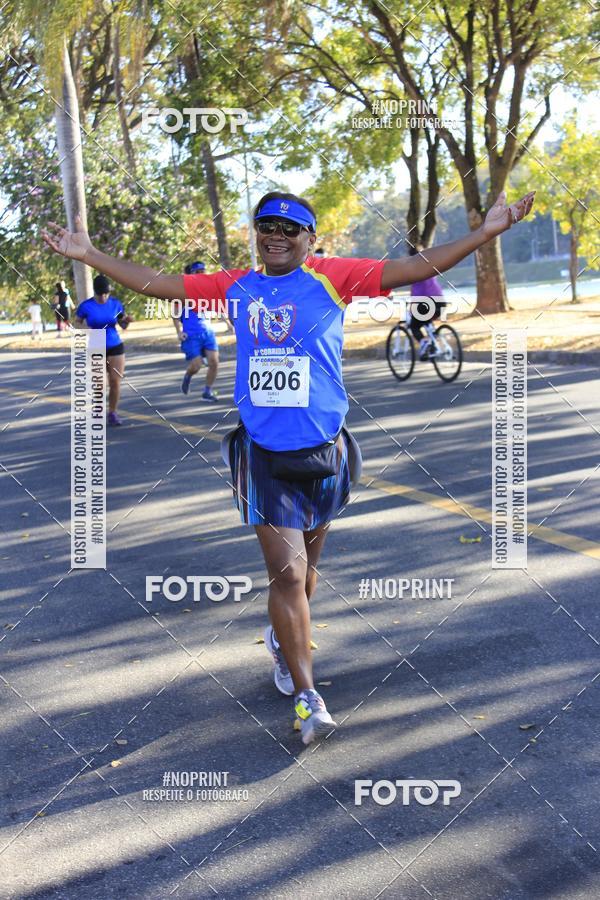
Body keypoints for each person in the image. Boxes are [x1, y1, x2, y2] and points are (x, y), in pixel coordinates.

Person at [41, 187, 535, 743]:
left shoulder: (335, 277)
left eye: (288, 227)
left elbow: (416, 266)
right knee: (290, 573)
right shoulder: (235, 286)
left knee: (309, 571)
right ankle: (307, 695)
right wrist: (88, 255)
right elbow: (160, 284)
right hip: (263, 455)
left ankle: (283, 639)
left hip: (326, 449)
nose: (274, 234)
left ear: (309, 238)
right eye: (265, 226)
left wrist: (486, 232)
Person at [73, 274, 133, 426]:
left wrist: (127, 321)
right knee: (99, 384)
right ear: (95, 292)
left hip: (115, 345)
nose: (103, 297)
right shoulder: (86, 306)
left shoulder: (116, 304)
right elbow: (77, 323)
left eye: (106, 293)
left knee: (115, 382)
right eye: (100, 294)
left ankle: (112, 412)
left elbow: (122, 324)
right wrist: (86, 328)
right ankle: (98, 411)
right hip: (96, 344)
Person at [173, 261, 220, 401]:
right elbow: (175, 316)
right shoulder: (181, 293)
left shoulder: (207, 291)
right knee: (196, 365)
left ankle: (207, 391)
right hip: (191, 336)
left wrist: (230, 323)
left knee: (214, 362)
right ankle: (188, 376)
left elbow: (219, 307)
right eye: (197, 272)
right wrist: (179, 332)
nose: (201, 274)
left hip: (208, 333)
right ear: (191, 274)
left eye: (203, 271)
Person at [406, 243, 446, 359]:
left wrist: (412, 309)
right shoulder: (430, 264)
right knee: (427, 320)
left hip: (426, 303)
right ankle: (432, 345)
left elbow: (416, 293)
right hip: (441, 301)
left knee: (414, 325)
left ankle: (424, 343)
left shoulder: (413, 270)